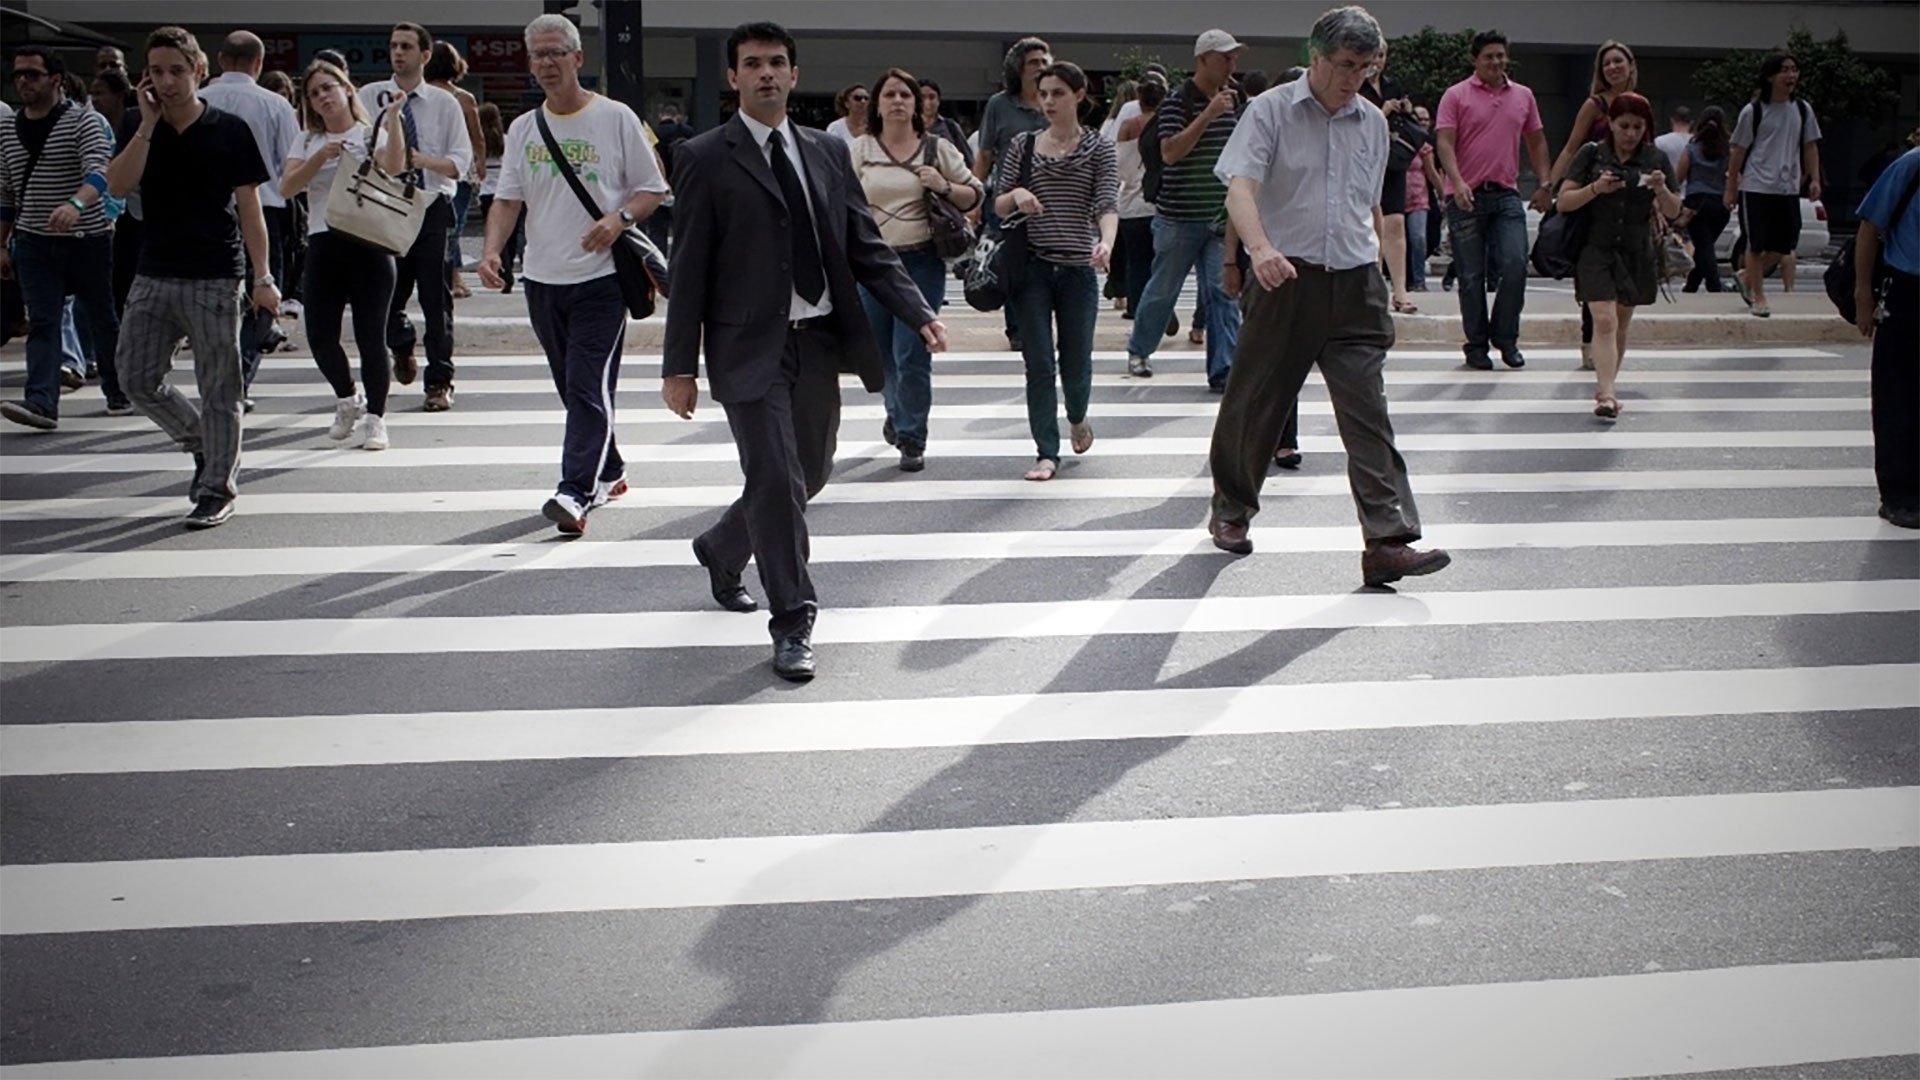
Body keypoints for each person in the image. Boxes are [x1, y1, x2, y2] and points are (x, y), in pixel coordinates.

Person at [663, 21, 945, 682]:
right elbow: (689, 268)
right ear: (733, 77)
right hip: (745, 349)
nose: (766, 73)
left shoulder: (826, 151)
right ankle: (793, 620)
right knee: (777, 479)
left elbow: (864, 246)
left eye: (778, 63)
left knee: (810, 473)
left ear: (794, 74)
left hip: (817, 342)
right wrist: (680, 367)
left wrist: (917, 310)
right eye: (753, 64)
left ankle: (722, 547)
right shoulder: (705, 157)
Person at [1207, 4, 1448, 588]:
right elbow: (1240, 189)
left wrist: (1390, 282)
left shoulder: (1370, 121)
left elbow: (1369, 207)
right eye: (1344, 64)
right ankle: (1232, 508)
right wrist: (1257, 251)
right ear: (1315, 58)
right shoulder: (1270, 112)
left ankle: (1387, 539)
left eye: (1365, 66)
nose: (1354, 77)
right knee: (1256, 403)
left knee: (1368, 413)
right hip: (1286, 277)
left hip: (1355, 282)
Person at [479, 14, 666, 536]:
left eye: (556, 53)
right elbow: (507, 200)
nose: (546, 64)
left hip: (602, 280)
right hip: (542, 278)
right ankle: (611, 469)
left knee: (586, 384)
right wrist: (492, 252)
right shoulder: (523, 129)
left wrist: (618, 219)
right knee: (573, 387)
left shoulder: (616, 118)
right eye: (537, 55)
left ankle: (575, 492)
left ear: (578, 58)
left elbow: (653, 188)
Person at [104, 25, 279, 528]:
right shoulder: (140, 123)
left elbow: (250, 207)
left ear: (199, 71)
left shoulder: (229, 129)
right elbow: (117, 184)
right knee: (134, 377)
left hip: (215, 275)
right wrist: (146, 127)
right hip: (154, 270)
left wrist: (263, 277)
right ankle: (203, 442)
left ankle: (216, 487)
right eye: (157, 72)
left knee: (220, 388)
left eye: (177, 71)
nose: (167, 82)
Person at [851, 67, 981, 472]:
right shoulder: (860, 150)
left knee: (913, 352)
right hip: (872, 263)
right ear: (877, 103)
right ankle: (895, 409)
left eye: (905, 95)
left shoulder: (936, 149)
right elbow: (838, 202)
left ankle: (912, 436)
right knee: (879, 351)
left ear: (917, 104)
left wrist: (942, 185)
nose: (898, 102)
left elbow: (975, 193)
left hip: (921, 260)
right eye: (889, 95)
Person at [993, 60, 1117, 482]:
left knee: (1076, 362)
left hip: (1078, 269)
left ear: (1079, 95)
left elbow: (1106, 205)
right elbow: (999, 203)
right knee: (1039, 363)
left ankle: (1078, 415)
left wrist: (1106, 243)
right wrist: (1019, 194)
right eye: (1043, 93)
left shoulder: (1099, 147)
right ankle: (1047, 451)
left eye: (1058, 93)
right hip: (1031, 268)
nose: (1048, 101)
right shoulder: (1023, 145)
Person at [281, 58, 406, 450]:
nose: (323, 97)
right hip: (323, 239)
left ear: (347, 89)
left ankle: (376, 419)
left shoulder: (370, 133)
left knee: (372, 336)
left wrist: (396, 120)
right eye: (315, 93)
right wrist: (321, 157)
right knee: (320, 334)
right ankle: (347, 396)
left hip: (369, 241)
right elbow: (286, 188)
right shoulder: (306, 140)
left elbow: (396, 167)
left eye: (328, 88)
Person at [0, 44, 127, 427]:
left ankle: (119, 390)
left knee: (102, 317)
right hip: (33, 240)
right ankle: (41, 402)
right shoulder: (8, 128)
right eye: (18, 74)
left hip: (86, 239)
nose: (23, 81)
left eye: (32, 74)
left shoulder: (82, 121)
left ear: (55, 80)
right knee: (42, 320)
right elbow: (5, 192)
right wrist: (2, 244)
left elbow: (100, 172)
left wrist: (76, 203)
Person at [359, 22, 472, 411]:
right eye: (393, 46)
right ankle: (401, 341)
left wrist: (420, 160)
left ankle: (439, 380)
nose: (398, 53)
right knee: (384, 294)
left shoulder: (445, 104)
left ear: (425, 55)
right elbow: (357, 148)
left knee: (436, 300)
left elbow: (461, 162)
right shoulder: (371, 96)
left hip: (430, 206)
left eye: (407, 46)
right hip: (385, 206)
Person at [1124, 28, 1245, 388]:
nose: (1231, 64)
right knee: (1163, 289)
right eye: (1225, 57)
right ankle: (1139, 349)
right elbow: (1170, 152)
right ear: (1203, 60)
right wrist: (1207, 114)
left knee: (1223, 291)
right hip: (1177, 217)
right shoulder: (1178, 102)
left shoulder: (1232, 99)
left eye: (1234, 57)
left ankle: (1223, 369)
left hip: (1219, 218)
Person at [1554, 93, 1680, 421]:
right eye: (1624, 126)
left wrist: (1661, 189)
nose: (1630, 134)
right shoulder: (1592, 154)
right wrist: (1596, 188)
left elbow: (1675, 210)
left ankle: (1608, 383)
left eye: (1638, 127)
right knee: (1604, 319)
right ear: (1610, 123)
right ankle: (1607, 394)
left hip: (1636, 250)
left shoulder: (1656, 158)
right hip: (1595, 248)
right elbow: (1564, 201)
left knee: (1621, 323)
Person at [1435, 29, 1553, 371]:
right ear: (1475, 60)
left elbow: (1537, 141)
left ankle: (1506, 337)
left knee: (1516, 264)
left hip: (1505, 194)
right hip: (1465, 196)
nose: (1496, 62)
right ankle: (1476, 344)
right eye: (1489, 56)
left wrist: (1545, 182)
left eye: (1501, 55)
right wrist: (1456, 182)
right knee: (1471, 276)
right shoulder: (1456, 95)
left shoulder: (1523, 96)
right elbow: (1444, 142)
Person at [197, 31, 299, 402]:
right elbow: (291, 161)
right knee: (263, 293)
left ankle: (222, 377)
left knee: (212, 297)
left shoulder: (199, 100)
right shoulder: (275, 104)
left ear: (221, 60)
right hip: (265, 208)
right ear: (258, 64)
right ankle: (238, 377)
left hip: (206, 211)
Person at [1548, 40, 1637, 372]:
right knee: (1594, 272)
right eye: (1607, 64)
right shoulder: (1595, 105)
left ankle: (1611, 345)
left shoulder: (1639, 106)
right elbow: (1572, 148)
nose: (1613, 68)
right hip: (1593, 196)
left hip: (1629, 204)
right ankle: (1590, 341)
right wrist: (1550, 187)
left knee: (1625, 274)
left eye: (1618, 62)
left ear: (1630, 65)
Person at [1851, 144, 1920, 530]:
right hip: (1907, 289)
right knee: (1898, 395)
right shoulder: (1911, 166)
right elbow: (1869, 227)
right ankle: (1898, 495)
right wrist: (1864, 294)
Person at [1726, 52, 1822, 319]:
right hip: (1756, 185)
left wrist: (1814, 178)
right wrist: (1731, 186)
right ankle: (1758, 296)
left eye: (1794, 69)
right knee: (1756, 243)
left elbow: (1810, 145)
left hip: (1788, 187)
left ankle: (1746, 276)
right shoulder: (1754, 111)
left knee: (1785, 243)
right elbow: (1738, 151)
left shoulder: (1802, 109)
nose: (1791, 75)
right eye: (1784, 70)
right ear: (1770, 76)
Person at [974, 36, 1051, 352]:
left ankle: (1042, 322)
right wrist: (975, 199)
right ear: (1018, 68)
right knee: (1013, 265)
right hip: (1008, 199)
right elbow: (986, 154)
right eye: (1034, 62)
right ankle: (1017, 329)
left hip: (1049, 200)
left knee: (1047, 267)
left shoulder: (1054, 102)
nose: (1041, 68)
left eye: (1045, 62)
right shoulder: (1000, 105)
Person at [1359, 40, 1418, 314]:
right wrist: (1382, 112)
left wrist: (1405, 109)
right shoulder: (1355, 87)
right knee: (1370, 224)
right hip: (1363, 163)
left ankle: (1401, 290)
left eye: (1382, 56)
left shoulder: (1394, 86)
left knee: (1395, 224)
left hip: (1392, 162)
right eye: (1374, 55)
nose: (1377, 61)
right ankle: (1374, 288)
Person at [425, 41, 485, 300]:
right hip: (458, 167)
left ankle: (445, 275)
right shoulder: (463, 98)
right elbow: (477, 135)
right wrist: (481, 163)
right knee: (454, 225)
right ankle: (453, 276)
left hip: (427, 167)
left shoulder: (422, 94)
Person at [1114, 76, 1164, 328]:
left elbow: (1120, 168)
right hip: (1162, 203)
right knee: (1161, 262)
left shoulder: (1127, 126)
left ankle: (1136, 307)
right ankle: (1160, 308)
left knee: (1136, 261)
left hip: (1132, 202)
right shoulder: (1168, 125)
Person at [1675, 105, 1733, 293]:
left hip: (1696, 203)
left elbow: (1679, 177)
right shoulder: (1728, 150)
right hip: (1720, 203)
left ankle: (1714, 284)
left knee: (1703, 246)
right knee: (1705, 246)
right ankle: (1692, 285)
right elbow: (1734, 175)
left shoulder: (1692, 148)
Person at [474, 102, 524, 291]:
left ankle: (503, 268)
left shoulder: (479, 142)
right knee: (511, 235)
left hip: (487, 192)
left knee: (494, 232)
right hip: (508, 190)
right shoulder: (507, 139)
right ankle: (509, 265)